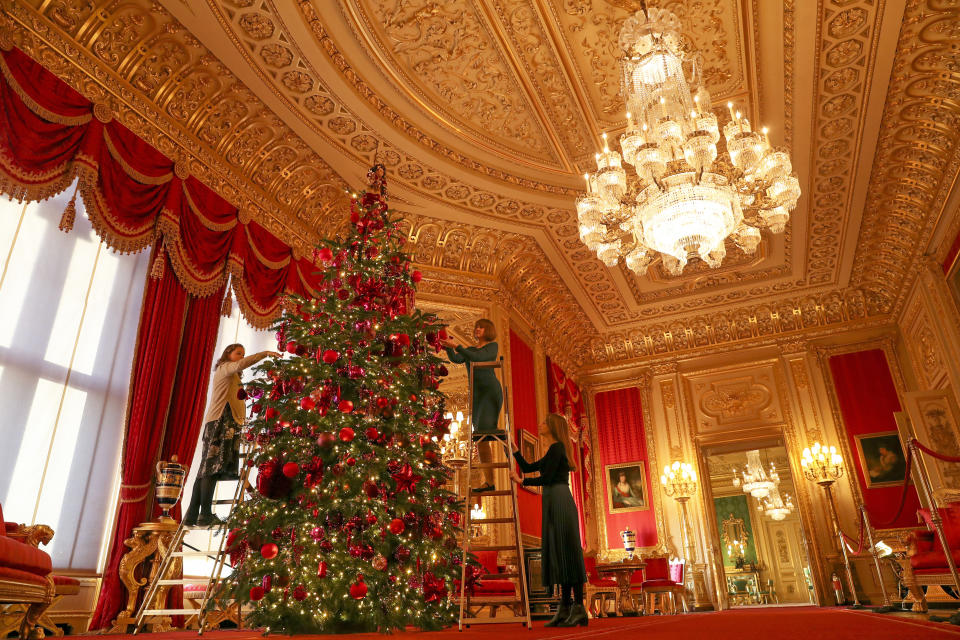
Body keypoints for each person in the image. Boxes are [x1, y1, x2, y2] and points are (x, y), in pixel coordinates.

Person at [183, 344, 279, 526]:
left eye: (243, 354)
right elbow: (239, 365)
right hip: (220, 423)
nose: (241, 357)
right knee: (210, 469)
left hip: (227, 424)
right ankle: (205, 514)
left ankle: (192, 515)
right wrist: (264, 353)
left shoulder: (233, 376)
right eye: (238, 353)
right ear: (228, 354)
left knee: (206, 470)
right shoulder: (225, 368)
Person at [510, 413, 587, 627]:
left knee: (567, 552)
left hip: (560, 499)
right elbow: (527, 467)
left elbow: (546, 478)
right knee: (561, 553)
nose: (540, 424)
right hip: (554, 499)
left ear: (552, 427)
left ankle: (577, 607)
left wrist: (521, 481)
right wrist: (515, 450)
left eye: (544, 422)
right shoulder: (554, 450)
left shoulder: (557, 449)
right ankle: (565, 607)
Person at [441, 319, 503, 493]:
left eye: (481, 327)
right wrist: (447, 342)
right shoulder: (469, 350)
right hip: (477, 395)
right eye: (476, 327)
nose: (477, 329)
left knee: (483, 435)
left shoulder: (492, 347)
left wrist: (457, 345)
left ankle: (490, 482)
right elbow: (456, 358)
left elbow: (479, 358)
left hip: (490, 393)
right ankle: (490, 482)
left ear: (488, 330)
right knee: (480, 439)